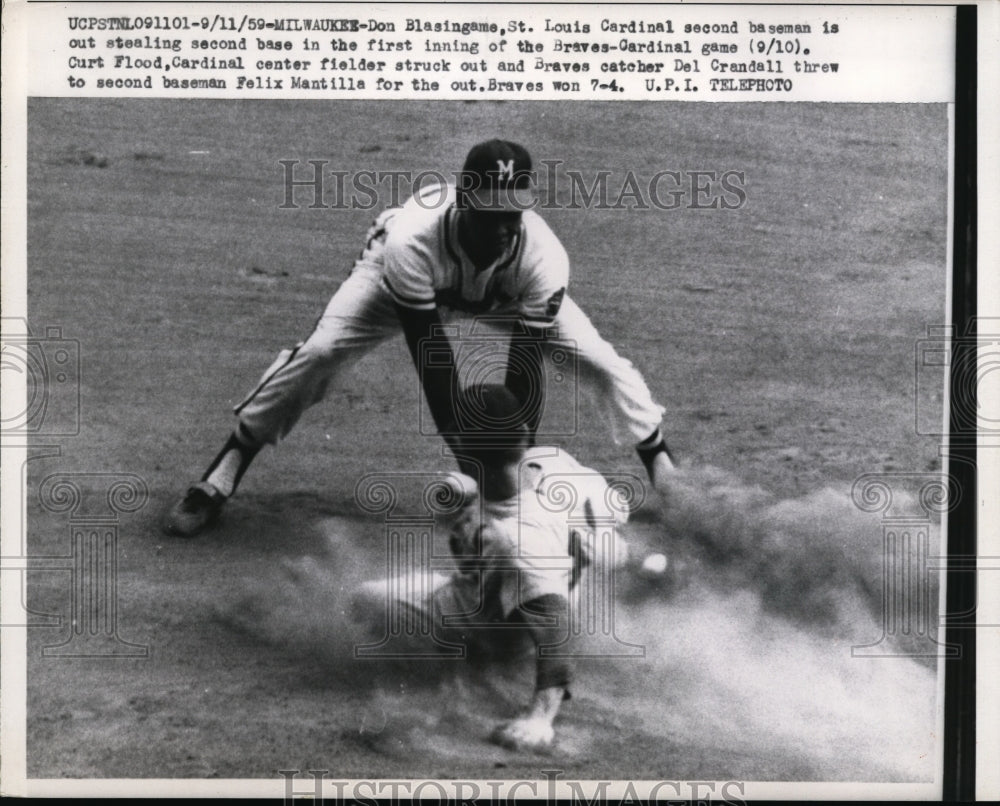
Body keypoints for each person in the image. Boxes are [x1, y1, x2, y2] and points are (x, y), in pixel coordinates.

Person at [163, 139, 675, 537]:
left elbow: (522, 374)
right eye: (492, 213)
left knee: (597, 360)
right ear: (464, 202)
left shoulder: (543, 257)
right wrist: (482, 475)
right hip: (399, 286)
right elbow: (434, 361)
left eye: (514, 213)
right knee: (320, 354)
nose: (504, 227)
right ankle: (225, 468)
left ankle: (663, 468)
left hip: (504, 294)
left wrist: (507, 474)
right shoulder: (412, 240)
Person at [349, 384, 631, 751]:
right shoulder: (554, 461)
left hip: (492, 631)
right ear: (525, 433)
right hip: (523, 589)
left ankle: (462, 669)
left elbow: (557, 630)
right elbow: (615, 506)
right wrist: (610, 546)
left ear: (460, 443)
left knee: (362, 600)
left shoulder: (515, 540)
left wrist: (539, 719)